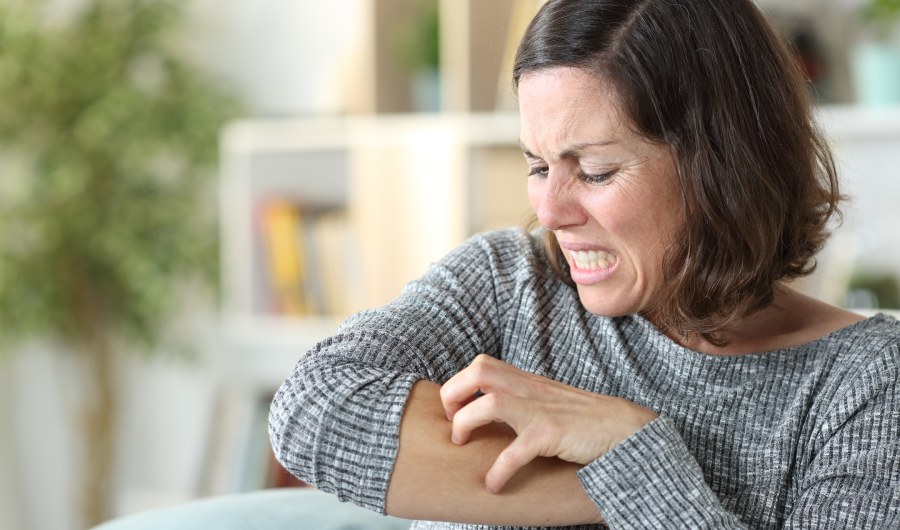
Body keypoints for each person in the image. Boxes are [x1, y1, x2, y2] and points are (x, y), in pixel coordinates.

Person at [269, 0, 900, 528]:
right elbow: (312, 410)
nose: (549, 211)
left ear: (723, 168)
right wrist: (605, 484)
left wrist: (639, 455)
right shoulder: (506, 284)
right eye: (538, 167)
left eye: (595, 171)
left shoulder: (866, 382)